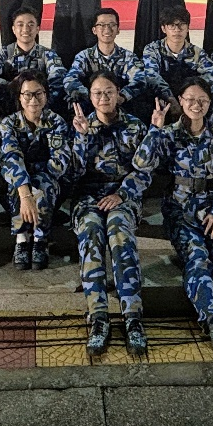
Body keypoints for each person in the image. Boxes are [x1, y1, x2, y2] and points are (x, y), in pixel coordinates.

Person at [123, 77, 213, 352]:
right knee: (198, 258)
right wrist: (154, 129)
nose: (196, 105)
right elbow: (141, 163)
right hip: (181, 212)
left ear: (209, 104)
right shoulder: (168, 134)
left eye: (202, 100)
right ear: (180, 101)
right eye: (190, 100)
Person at [69, 71, 151, 356]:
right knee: (91, 229)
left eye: (109, 92)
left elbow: (144, 171)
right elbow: (73, 173)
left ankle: (133, 318)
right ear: (90, 97)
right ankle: (98, 317)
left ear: (118, 94)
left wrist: (122, 194)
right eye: (97, 93)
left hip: (123, 196)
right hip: (88, 197)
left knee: (118, 229)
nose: (103, 98)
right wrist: (81, 138)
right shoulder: (81, 124)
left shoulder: (135, 126)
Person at [0, 71, 72, 271]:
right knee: (15, 184)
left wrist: (35, 185)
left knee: (43, 185)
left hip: (48, 179)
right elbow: (11, 157)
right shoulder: (9, 123)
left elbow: (60, 161)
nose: (33, 99)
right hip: (19, 179)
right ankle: (21, 239)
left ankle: (40, 239)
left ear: (46, 95)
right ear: (19, 97)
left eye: (38, 93)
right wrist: (25, 191)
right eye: (27, 94)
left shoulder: (56, 122)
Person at [0, 9, 68, 122]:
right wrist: (13, 87)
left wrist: (38, 90)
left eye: (31, 25)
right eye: (20, 25)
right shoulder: (4, 54)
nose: (26, 29)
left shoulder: (47, 54)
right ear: (13, 29)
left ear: (37, 29)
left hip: (39, 103)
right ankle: (2, 125)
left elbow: (58, 76)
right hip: (11, 102)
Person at [139, 6, 213, 117]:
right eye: (172, 25)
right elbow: (152, 76)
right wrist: (171, 99)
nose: (177, 30)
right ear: (163, 29)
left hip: (191, 100)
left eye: (182, 24)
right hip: (163, 100)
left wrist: (190, 97)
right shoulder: (152, 49)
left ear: (188, 28)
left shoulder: (197, 52)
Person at [63, 8, 144, 112]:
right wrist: (92, 96)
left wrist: (122, 96)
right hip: (90, 107)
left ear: (118, 30)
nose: (107, 29)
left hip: (120, 107)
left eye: (112, 25)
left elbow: (140, 79)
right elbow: (70, 80)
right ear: (94, 30)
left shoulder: (128, 57)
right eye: (101, 25)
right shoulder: (84, 56)